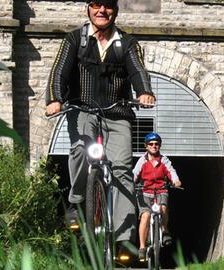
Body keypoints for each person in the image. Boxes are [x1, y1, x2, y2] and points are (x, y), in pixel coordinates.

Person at [45, 0, 155, 258]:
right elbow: (59, 72)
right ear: (88, 8)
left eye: (107, 6)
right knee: (81, 149)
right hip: (83, 108)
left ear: (114, 11)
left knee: (122, 168)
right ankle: (76, 201)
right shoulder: (75, 40)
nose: (101, 11)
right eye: (96, 5)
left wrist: (144, 92)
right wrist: (54, 98)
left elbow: (138, 70)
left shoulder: (127, 43)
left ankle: (124, 238)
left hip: (117, 113)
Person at [133, 132, 182, 261]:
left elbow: (171, 171)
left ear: (159, 146)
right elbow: (134, 174)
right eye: (151, 144)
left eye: (156, 144)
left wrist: (176, 181)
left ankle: (165, 231)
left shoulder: (164, 159)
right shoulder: (142, 160)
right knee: (145, 216)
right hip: (144, 192)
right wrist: (131, 184)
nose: (154, 146)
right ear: (146, 146)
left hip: (161, 190)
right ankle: (142, 247)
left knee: (163, 208)